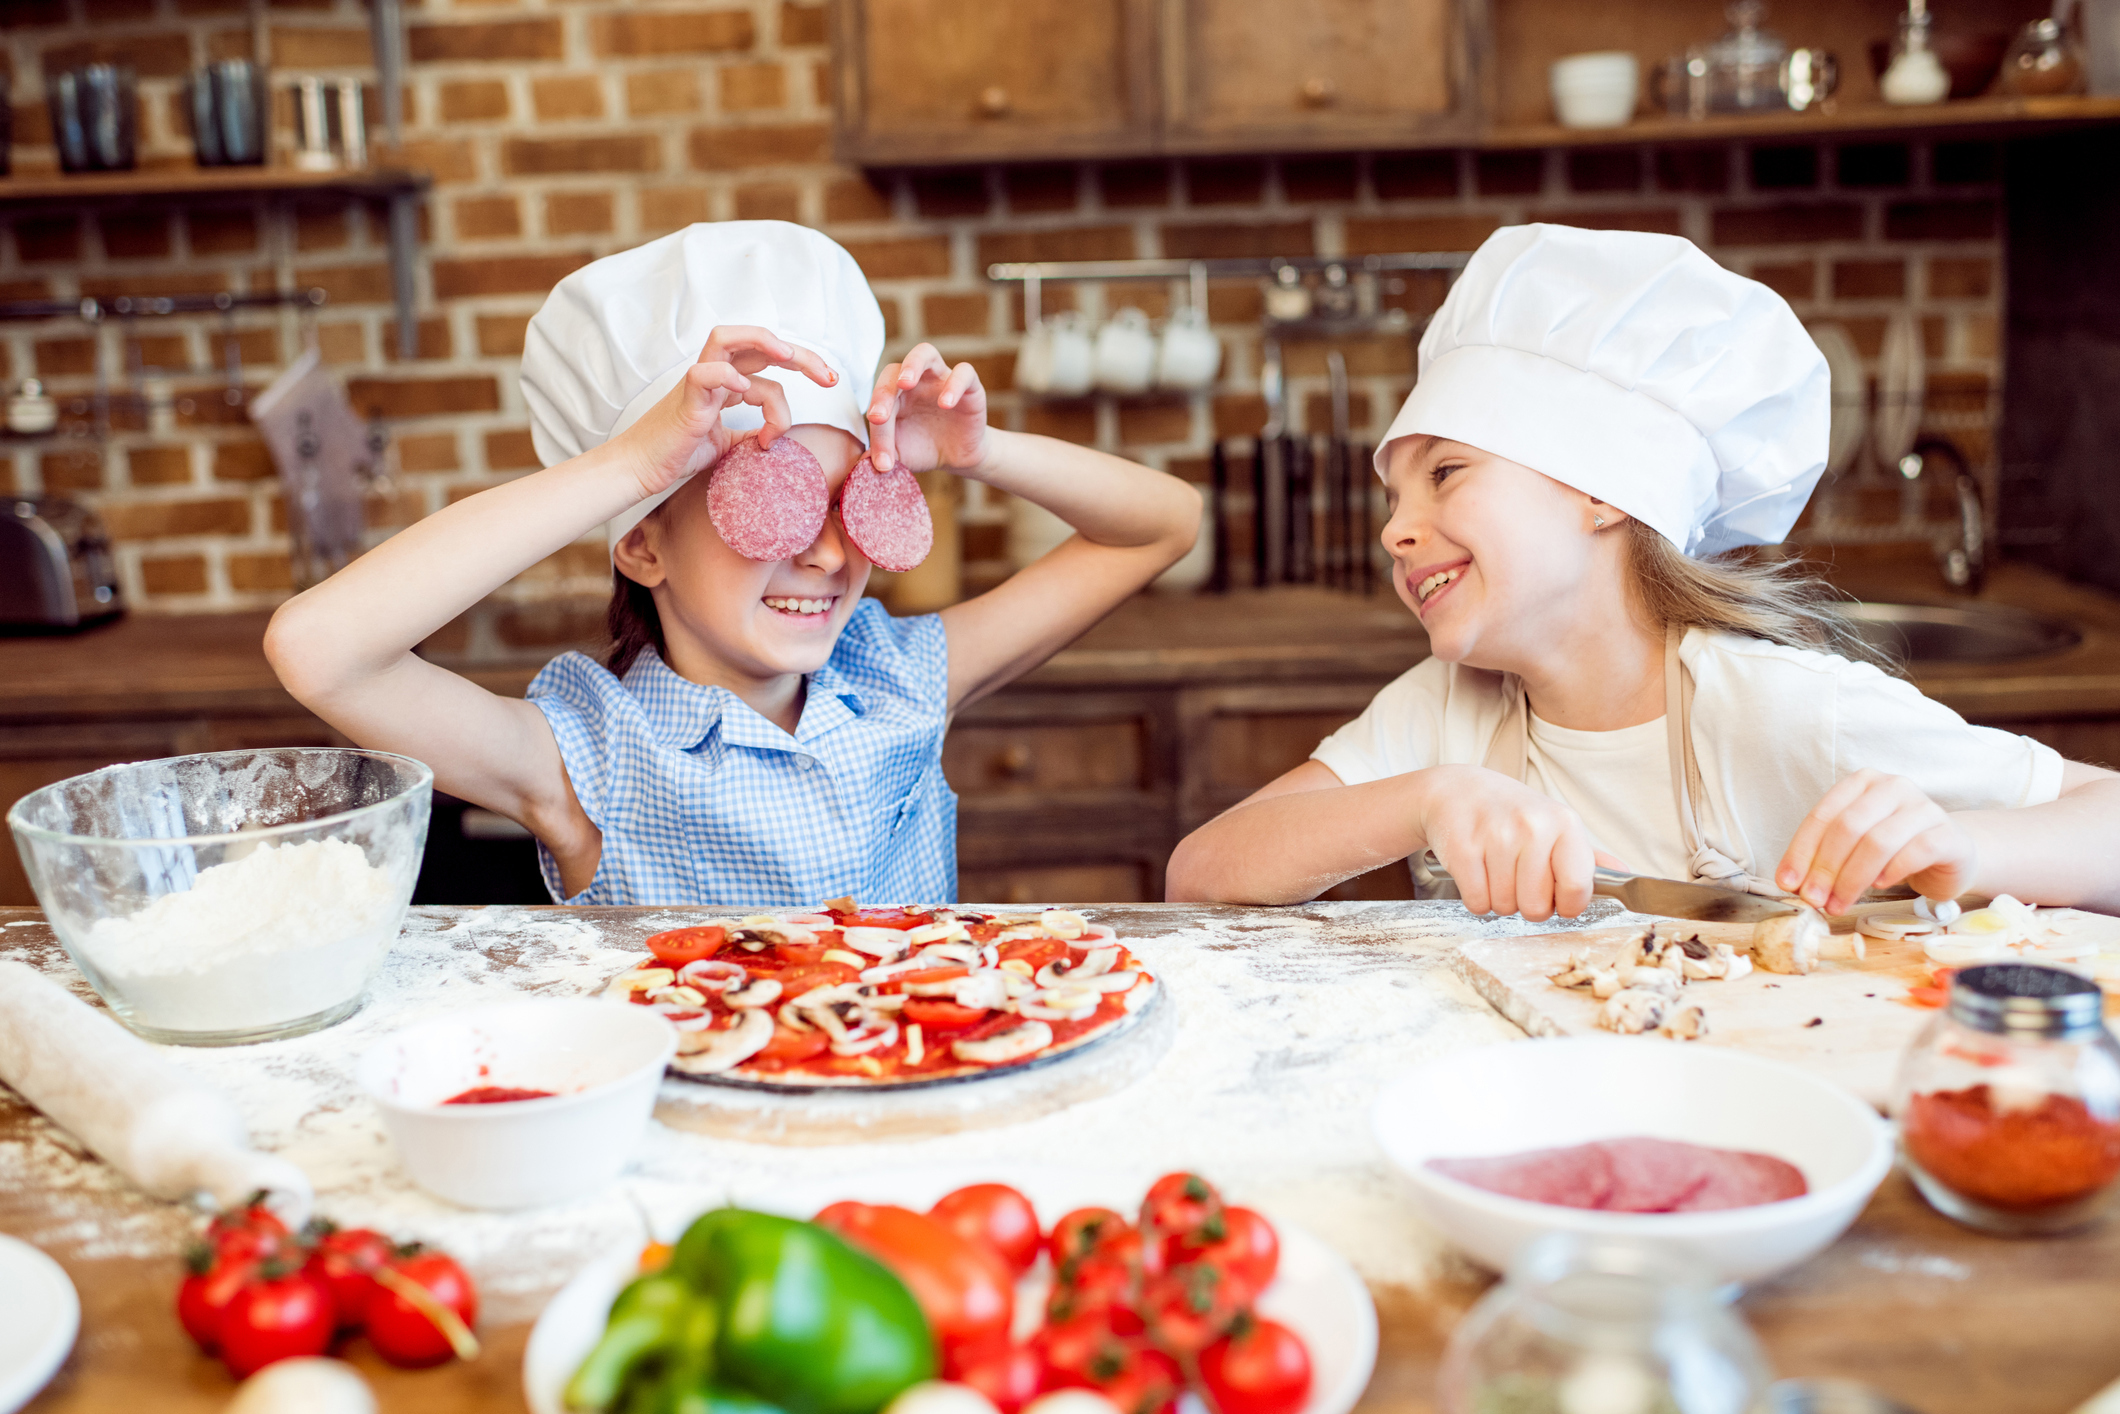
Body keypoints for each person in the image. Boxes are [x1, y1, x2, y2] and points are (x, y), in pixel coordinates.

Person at [1167, 223, 2120, 920]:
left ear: (1605, 490)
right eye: (1392, 501)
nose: (1396, 533)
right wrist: (1428, 796)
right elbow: (1200, 872)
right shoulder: (1444, 710)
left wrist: (1965, 845)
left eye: (1446, 474)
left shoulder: (1777, 707)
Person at [266, 222, 1199, 905]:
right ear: (642, 544)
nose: (832, 551)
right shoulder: (583, 757)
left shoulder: (900, 678)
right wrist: (629, 467)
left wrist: (974, 453)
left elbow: (1162, 522)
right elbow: (320, 649)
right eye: (770, 501)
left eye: (846, 501)